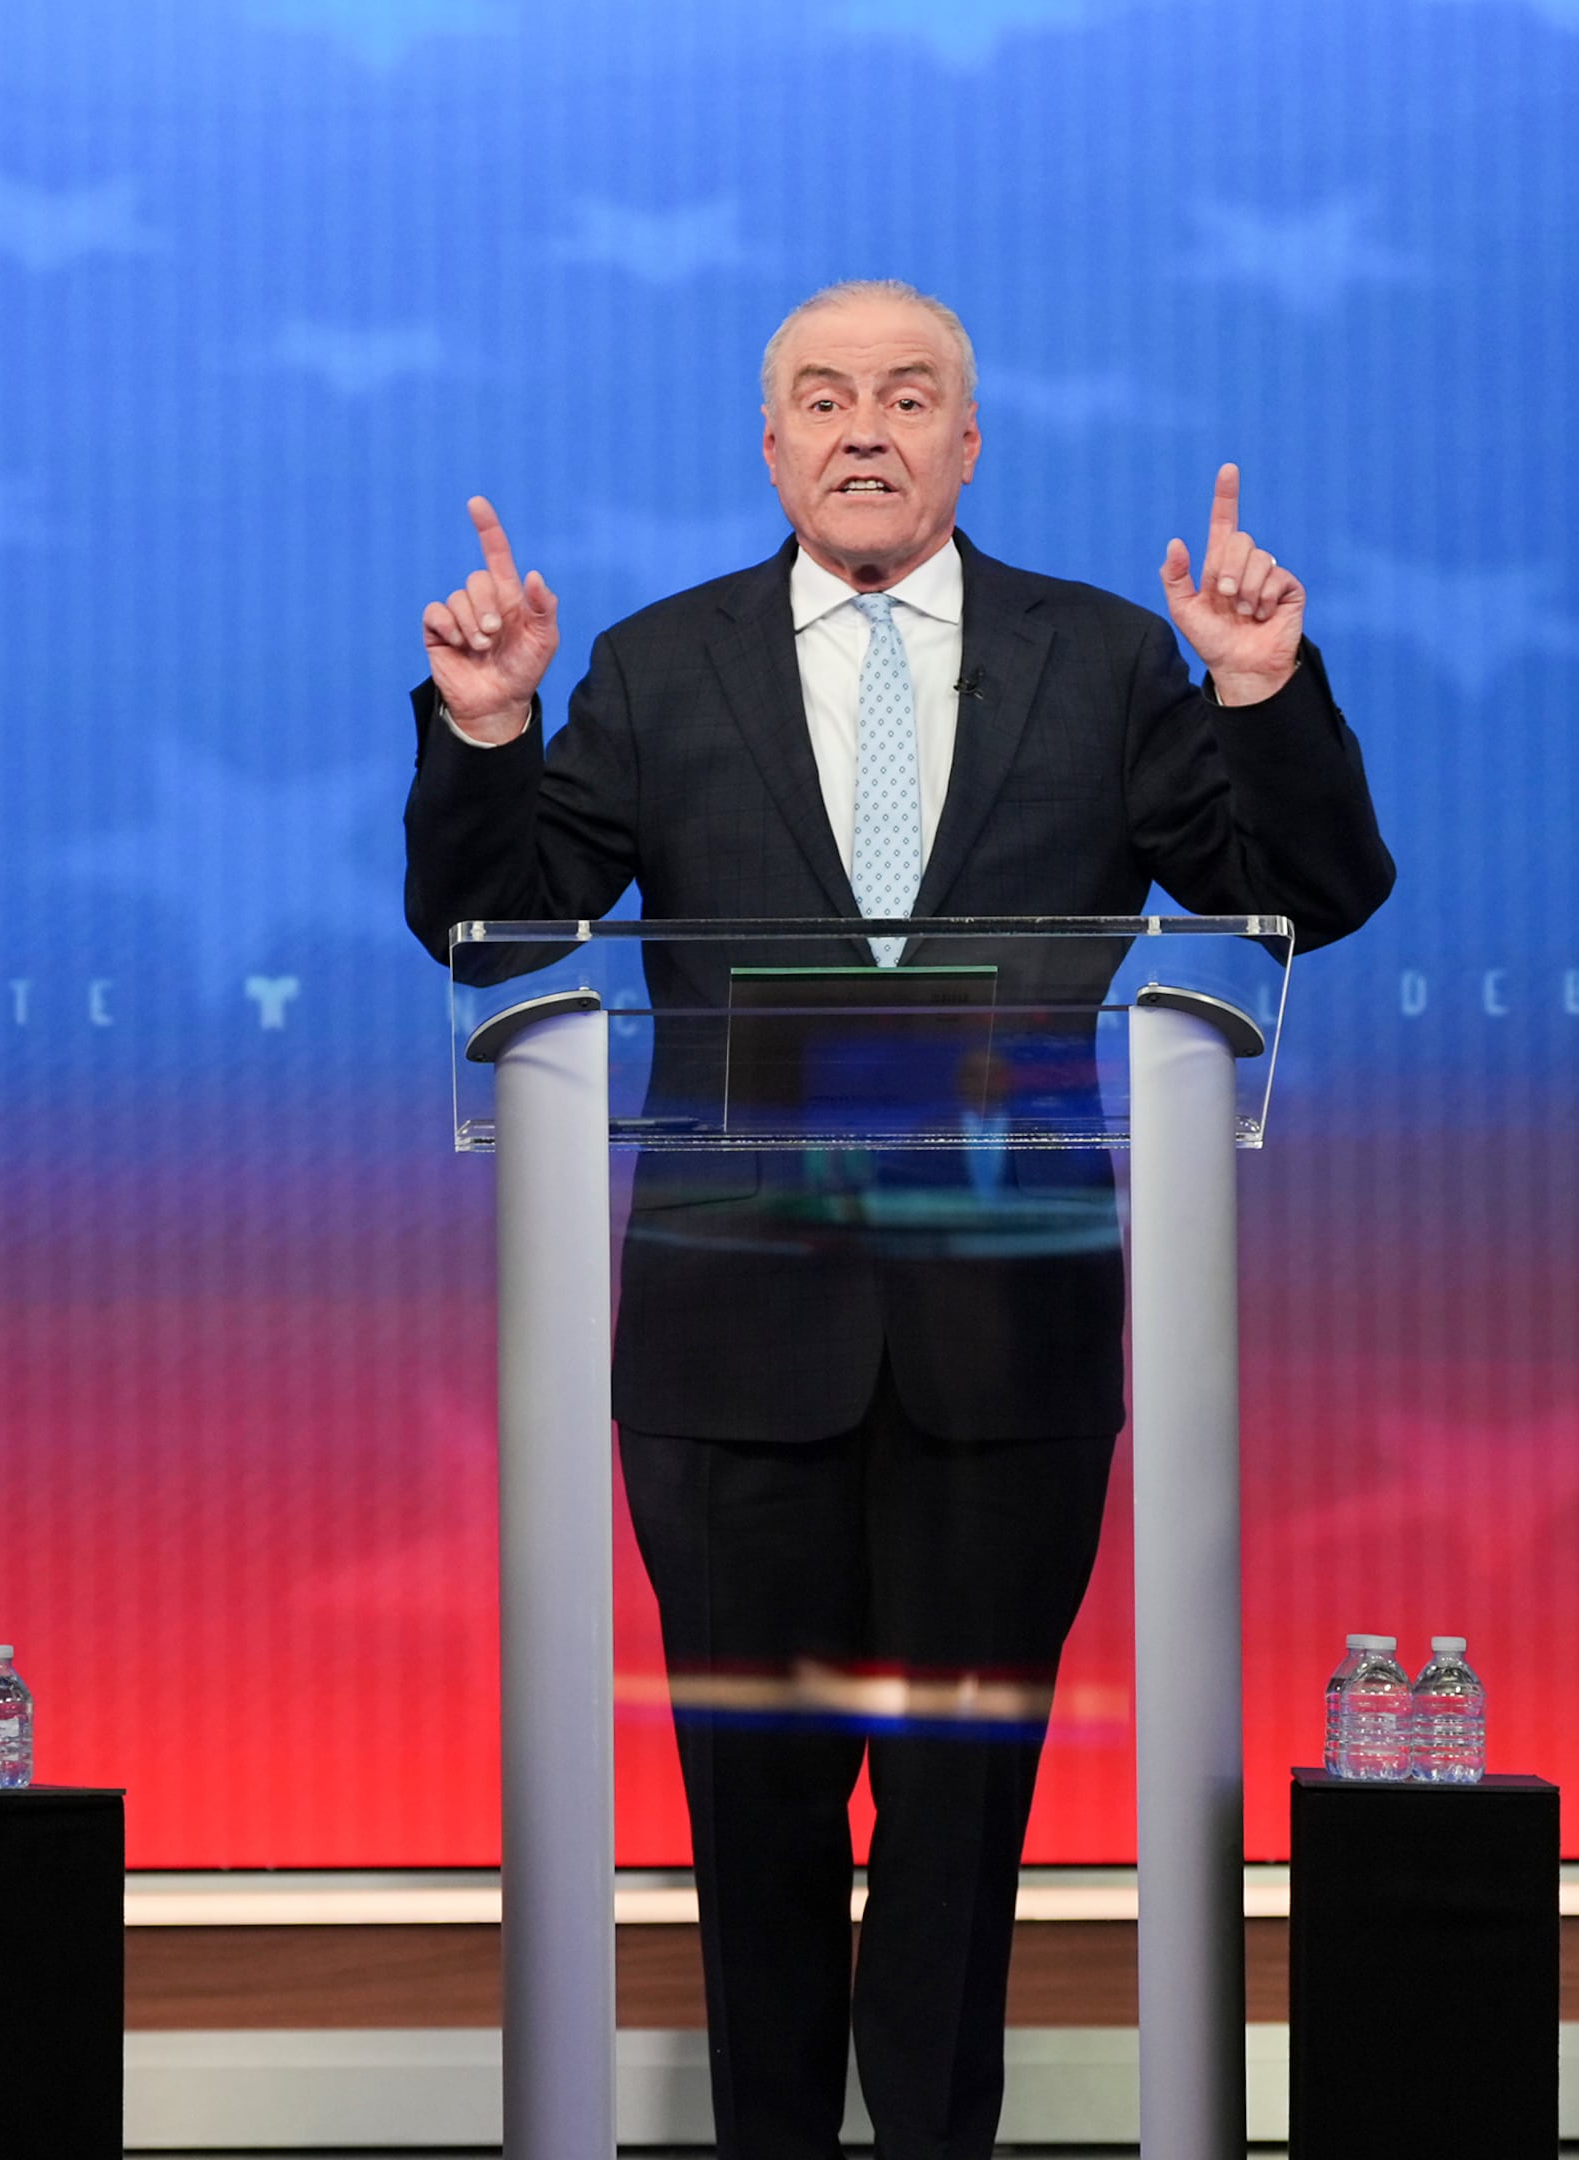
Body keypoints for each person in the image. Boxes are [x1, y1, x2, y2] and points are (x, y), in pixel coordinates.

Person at [403, 279, 1392, 2159]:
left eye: (909, 397)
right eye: (824, 399)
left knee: (963, 1826)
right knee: (752, 1819)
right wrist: (491, 728)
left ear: (968, 442)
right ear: (769, 443)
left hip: (1005, 1335)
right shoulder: (660, 663)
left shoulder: (1102, 659)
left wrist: (1254, 691)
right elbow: (500, 926)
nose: (866, 429)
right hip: (726, 1345)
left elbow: (1307, 893)